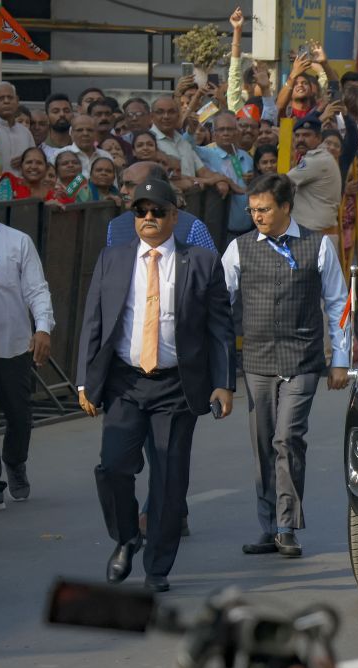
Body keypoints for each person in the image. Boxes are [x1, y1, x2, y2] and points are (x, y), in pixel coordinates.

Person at [76, 179, 235, 592]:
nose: (148, 218)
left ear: (174, 216)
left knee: (168, 479)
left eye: (157, 211)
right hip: (125, 383)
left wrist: (223, 383)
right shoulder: (113, 259)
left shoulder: (200, 262)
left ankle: (157, 567)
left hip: (177, 387)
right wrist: (83, 381)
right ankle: (127, 538)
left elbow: (219, 327)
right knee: (112, 467)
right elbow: (93, 322)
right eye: (141, 212)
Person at [221, 173, 350, 559]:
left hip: (303, 361)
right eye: (253, 210)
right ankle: (268, 526)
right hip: (258, 363)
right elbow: (219, 302)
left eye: (264, 209)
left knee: (286, 439)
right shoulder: (238, 249)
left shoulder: (319, 246)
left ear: (285, 208)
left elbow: (339, 304)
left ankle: (287, 525)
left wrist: (339, 360)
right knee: (263, 445)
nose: (256, 216)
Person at [0, 181, 53, 511]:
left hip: (12, 343)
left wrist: (42, 328)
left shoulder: (17, 242)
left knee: (18, 413)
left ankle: (14, 460)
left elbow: (37, 289)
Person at [107, 162, 216, 251]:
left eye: (130, 184)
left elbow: (210, 271)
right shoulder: (115, 226)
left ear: (154, 185)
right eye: (122, 184)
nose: (122, 191)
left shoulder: (193, 227)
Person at [284, 114, 341, 238]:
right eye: (297, 135)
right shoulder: (321, 157)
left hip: (314, 236)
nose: (300, 139)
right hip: (318, 234)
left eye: (306, 135)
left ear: (319, 138)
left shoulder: (316, 160)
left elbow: (283, 182)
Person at [0, 82, 34, 173]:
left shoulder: (25, 132)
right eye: (1, 98)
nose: (6, 101)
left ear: (17, 101)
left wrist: (26, 160)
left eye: (10, 97)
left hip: (21, 185)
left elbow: (35, 158)